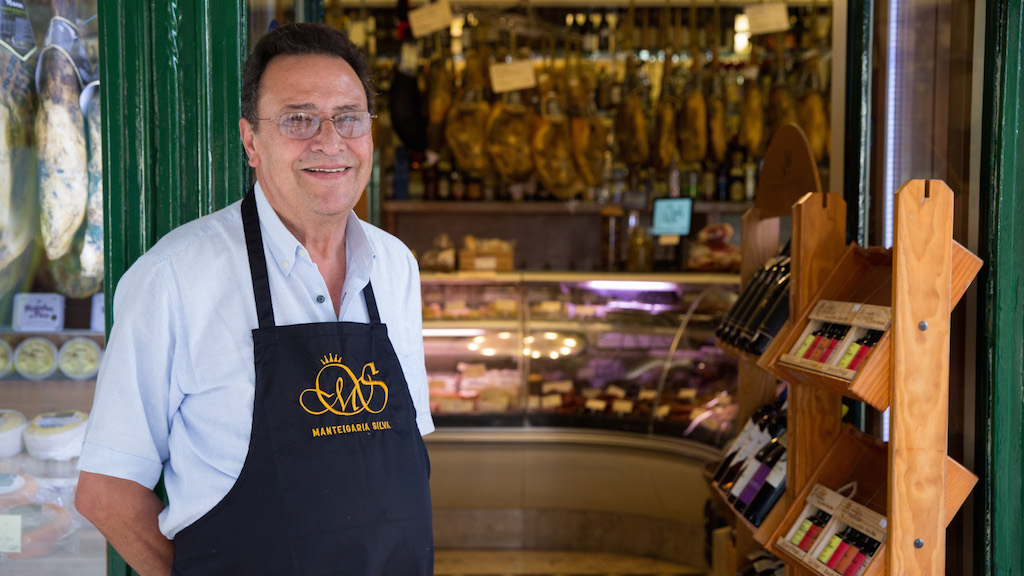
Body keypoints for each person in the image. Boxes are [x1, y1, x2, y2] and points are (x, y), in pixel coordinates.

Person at [75, 23, 435, 575]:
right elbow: (106, 492)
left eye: (349, 117)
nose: (330, 140)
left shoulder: (396, 267)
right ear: (251, 141)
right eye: (299, 118)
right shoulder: (175, 278)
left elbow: (404, 466)